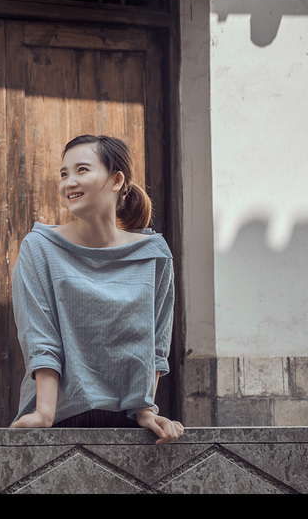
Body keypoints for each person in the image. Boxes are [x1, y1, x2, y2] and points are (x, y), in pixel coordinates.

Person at [9, 135, 184, 445]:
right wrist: (44, 412)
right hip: (56, 419)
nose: (69, 182)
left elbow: (156, 343)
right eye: (64, 173)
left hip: (131, 423)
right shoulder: (40, 248)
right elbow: (40, 336)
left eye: (82, 170)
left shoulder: (154, 254)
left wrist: (145, 410)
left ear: (117, 180)